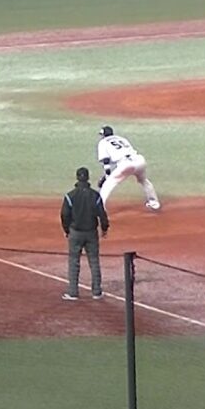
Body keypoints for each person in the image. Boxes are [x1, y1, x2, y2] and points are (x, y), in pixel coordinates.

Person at [60, 166, 109, 300]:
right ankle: (97, 291)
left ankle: (73, 292)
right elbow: (102, 214)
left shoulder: (70, 196)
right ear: (88, 178)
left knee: (74, 261)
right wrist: (104, 229)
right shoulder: (95, 195)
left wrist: (66, 230)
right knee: (94, 261)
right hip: (91, 233)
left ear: (77, 178)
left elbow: (64, 215)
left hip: (75, 232)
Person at [96, 125, 160, 210]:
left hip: (126, 165)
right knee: (144, 181)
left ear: (103, 135)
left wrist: (107, 175)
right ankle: (154, 203)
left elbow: (106, 160)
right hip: (139, 160)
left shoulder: (103, 142)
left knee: (108, 185)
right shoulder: (121, 139)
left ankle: (100, 208)